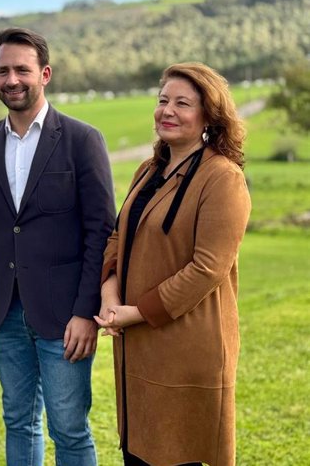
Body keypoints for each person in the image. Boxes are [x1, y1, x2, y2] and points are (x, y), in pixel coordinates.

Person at [0, 27, 115, 466]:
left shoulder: (82, 140)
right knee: (18, 421)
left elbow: (100, 234)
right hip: (5, 312)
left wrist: (86, 312)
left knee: (68, 428)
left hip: (66, 315)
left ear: (44, 74)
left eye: (22, 70)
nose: (12, 79)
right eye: (2, 70)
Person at [95, 62, 252, 466]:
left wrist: (136, 312)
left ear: (209, 117)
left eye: (183, 103)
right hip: (137, 345)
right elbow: (118, 237)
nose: (168, 110)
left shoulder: (223, 178)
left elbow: (208, 268)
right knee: (139, 454)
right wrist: (110, 294)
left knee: (179, 455)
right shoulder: (147, 170)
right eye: (163, 100)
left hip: (187, 348)